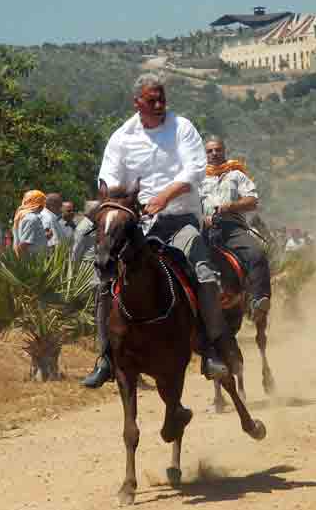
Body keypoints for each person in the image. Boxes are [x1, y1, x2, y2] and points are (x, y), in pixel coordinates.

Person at [82, 72, 232, 388]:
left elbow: (194, 169)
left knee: (202, 269)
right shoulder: (121, 138)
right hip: (137, 222)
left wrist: (164, 197)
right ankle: (106, 356)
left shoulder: (182, 128)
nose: (160, 104)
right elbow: (107, 178)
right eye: (152, 100)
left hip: (179, 218)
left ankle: (212, 347)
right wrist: (119, 203)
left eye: (162, 98)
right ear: (137, 102)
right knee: (103, 275)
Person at [200, 136, 272, 319]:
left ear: (224, 151)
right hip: (204, 229)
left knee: (257, 253)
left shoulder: (237, 174)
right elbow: (189, 204)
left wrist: (229, 206)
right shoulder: (197, 177)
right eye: (210, 151)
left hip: (232, 228)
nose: (214, 154)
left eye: (218, 150)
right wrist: (202, 218)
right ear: (204, 154)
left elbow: (252, 200)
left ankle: (258, 300)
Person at [12, 190, 49, 257]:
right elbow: (24, 244)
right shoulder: (31, 218)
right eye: (43, 202)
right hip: (33, 262)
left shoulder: (24, 215)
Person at [71, 200, 98, 265]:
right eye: (99, 210)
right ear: (93, 212)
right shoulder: (83, 227)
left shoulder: (94, 224)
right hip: (87, 265)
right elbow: (76, 249)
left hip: (95, 264)